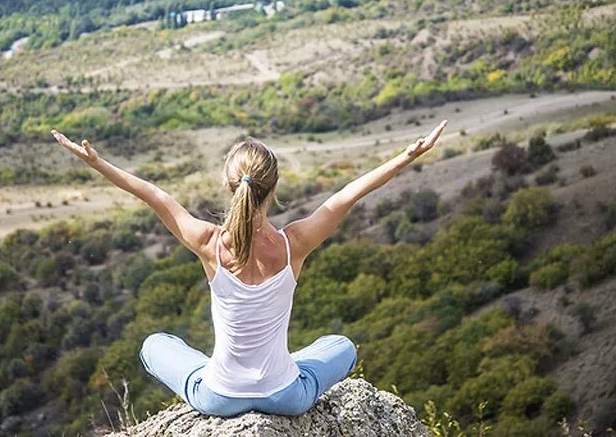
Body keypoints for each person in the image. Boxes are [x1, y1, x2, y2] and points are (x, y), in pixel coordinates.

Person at [51, 119, 447, 417]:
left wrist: (97, 162)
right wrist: (408, 155)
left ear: (228, 184)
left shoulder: (209, 243)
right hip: (286, 397)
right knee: (341, 346)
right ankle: (273, 369)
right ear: (274, 190)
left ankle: (219, 370)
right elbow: (349, 195)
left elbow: (154, 195)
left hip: (219, 397)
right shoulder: (295, 243)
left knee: (154, 344)